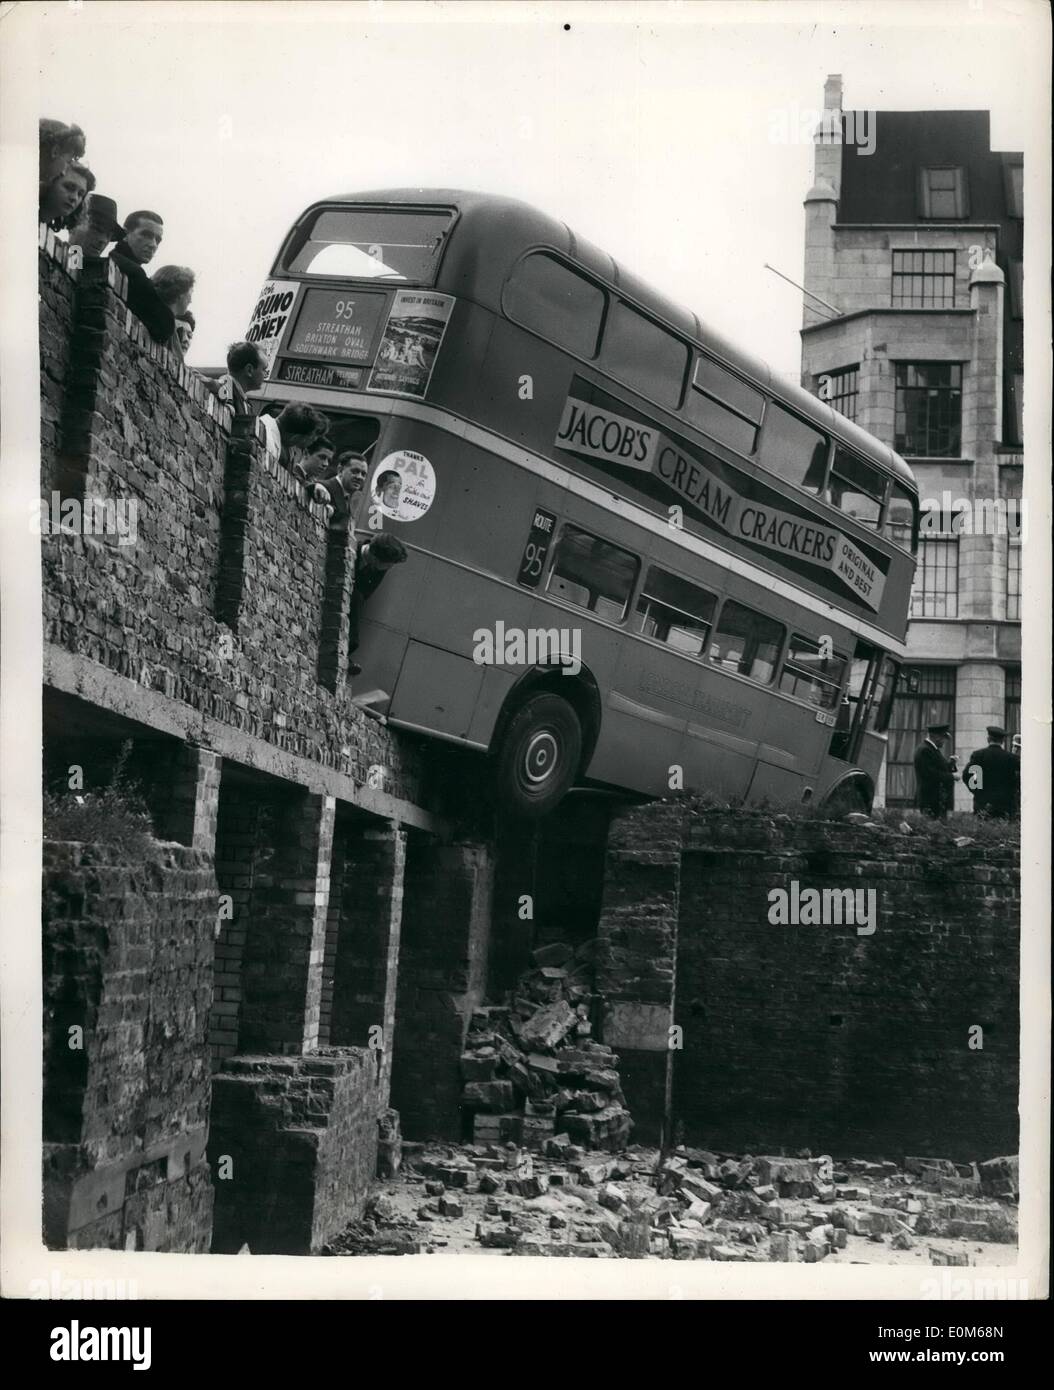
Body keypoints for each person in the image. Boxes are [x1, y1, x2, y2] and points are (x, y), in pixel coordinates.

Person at [347, 534, 408, 676]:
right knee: (356, 597)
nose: (390, 567)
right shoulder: (350, 548)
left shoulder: (379, 567)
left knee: (358, 598)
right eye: (388, 564)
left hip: (352, 600)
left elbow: (366, 593)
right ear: (375, 558)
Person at [110, 211, 175, 343]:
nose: (153, 245)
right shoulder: (132, 271)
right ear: (125, 234)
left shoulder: (122, 264)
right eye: (146, 235)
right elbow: (165, 328)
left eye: (158, 240)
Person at [962, 725, 1019, 820]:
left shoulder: (978, 756)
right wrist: (1012, 790)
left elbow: (967, 776)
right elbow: (1020, 778)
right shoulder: (1011, 758)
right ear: (1002, 741)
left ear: (988, 739)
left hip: (982, 804)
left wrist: (977, 791)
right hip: (1005, 804)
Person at [311, 449, 370, 526]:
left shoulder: (349, 498)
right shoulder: (323, 488)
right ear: (340, 470)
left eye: (363, 474)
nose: (359, 477)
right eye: (355, 471)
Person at [150, 265, 196, 358]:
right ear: (180, 293)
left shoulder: (157, 319)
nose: (191, 300)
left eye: (189, 336)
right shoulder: (167, 329)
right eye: (190, 293)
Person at [913, 722, 956, 818]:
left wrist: (951, 763)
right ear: (936, 737)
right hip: (930, 799)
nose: (944, 742)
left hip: (936, 799)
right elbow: (930, 774)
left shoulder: (932, 749)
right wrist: (952, 777)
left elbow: (939, 769)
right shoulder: (925, 750)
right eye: (943, 738)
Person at [211, 341, 267, 415]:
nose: (265, 374)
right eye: (264, 369)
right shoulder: (226, 387)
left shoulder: (246, 402)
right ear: (249, 370)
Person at [40, 160, 95, 233]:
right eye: (69, 187)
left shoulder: (49, 236)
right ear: (51, 181)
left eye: (80, 194)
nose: (74, 198)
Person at [68, 194, 121, 258]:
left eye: (109, 236)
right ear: (74, 225)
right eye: (97, 229)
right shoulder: (54, 256)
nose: (103, 240)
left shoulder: (104, 267)